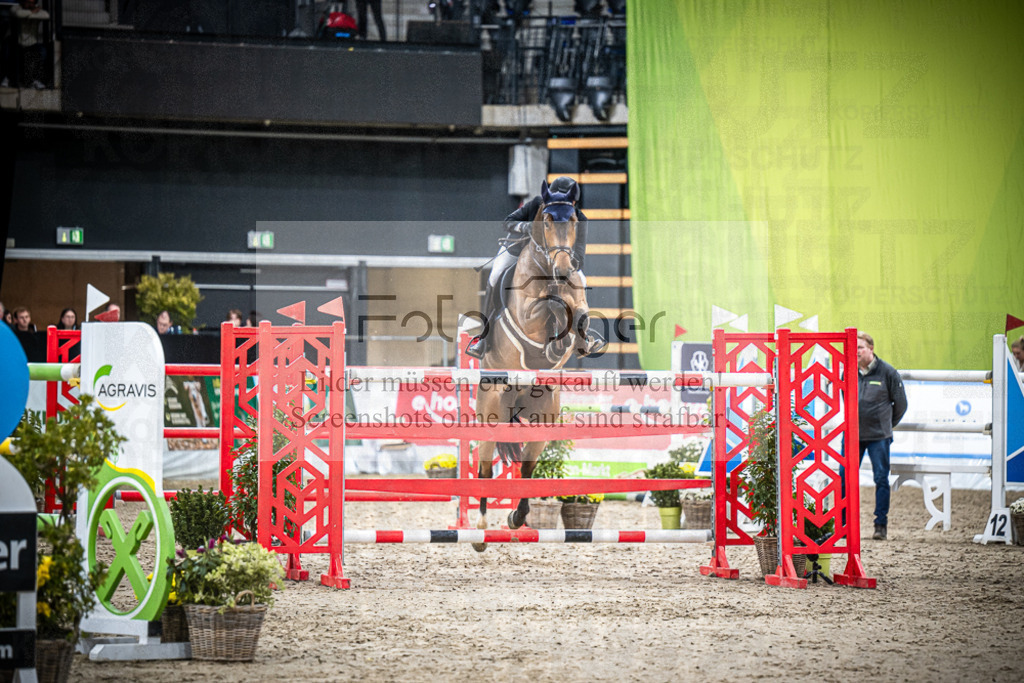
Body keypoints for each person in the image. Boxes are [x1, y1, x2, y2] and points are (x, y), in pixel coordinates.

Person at [465, 176, 603, 359]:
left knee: (582, 282)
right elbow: (507, 222)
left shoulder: (579, 219)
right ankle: (485, 336)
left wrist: (566, 263)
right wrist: (525, 227)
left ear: (573, 202)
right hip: (518, 250)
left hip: (559, 259)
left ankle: (583, 335)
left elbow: (579, 255)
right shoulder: (536, 204)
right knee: (495, 275)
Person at [856, 332, 907, 541]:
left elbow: (901, 404)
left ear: (871, 349)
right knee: (844, 478)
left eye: (860, 347)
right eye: (853, 348)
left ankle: (880, 525)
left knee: (880, 479)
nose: (856, 352)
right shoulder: (847, 372)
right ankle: (844, 525)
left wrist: (886, 424)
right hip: (853, 435)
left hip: (879, 437)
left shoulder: (888, 372)